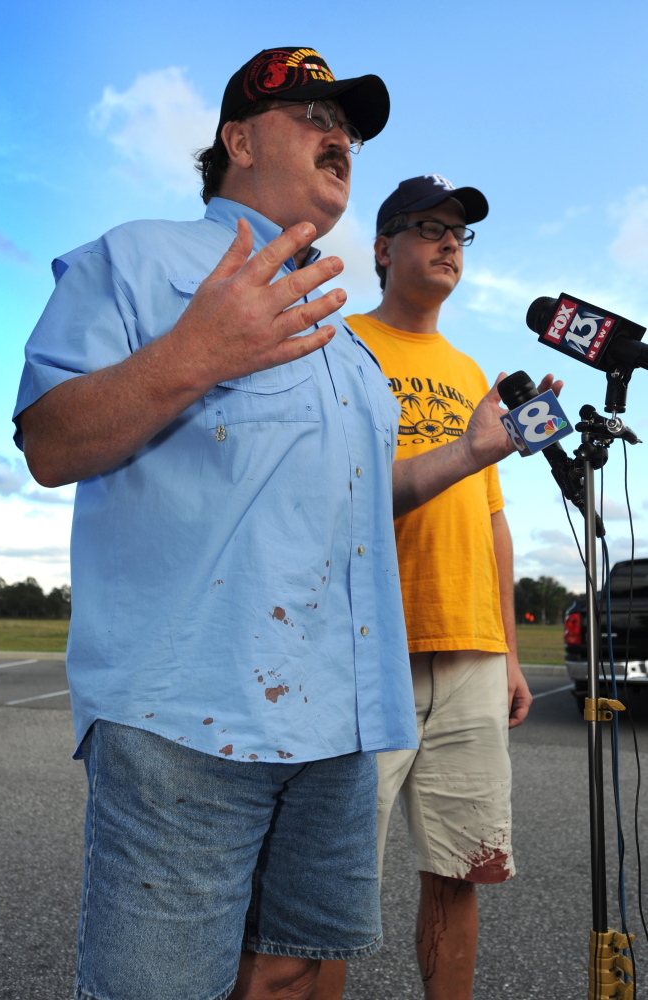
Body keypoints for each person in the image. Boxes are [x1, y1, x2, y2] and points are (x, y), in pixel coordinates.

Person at [13, 50, 546, 1000]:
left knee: (294, 974)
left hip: (342, 717)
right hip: (185, 718)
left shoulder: (345, 339)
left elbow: (352, 504)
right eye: (308, 114)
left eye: (346, 125)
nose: (337, 133)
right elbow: (50, 442)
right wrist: (195, 352)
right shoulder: (137, 258)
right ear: (237, 139)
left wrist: (468, 454)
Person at [316, 175, 537, 1000]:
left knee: (459, 868)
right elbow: (323, 492)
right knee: (329, 877)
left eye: (458, 233)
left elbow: (491, 522)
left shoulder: (468, 367)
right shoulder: (341, 345)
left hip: (473, 651)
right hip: (366, 645)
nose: (448, 242)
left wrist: (511, 654)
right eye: (426, 227)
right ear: (381, 248)